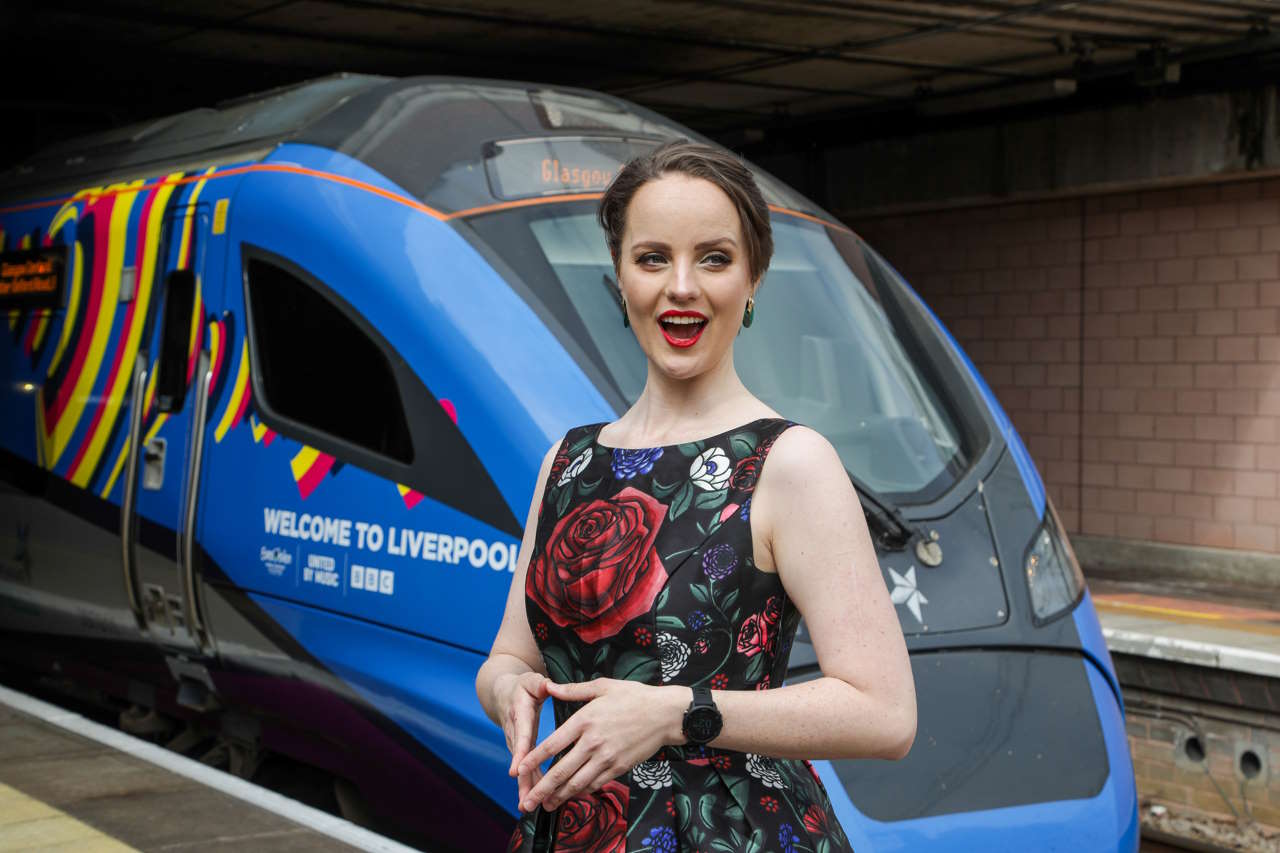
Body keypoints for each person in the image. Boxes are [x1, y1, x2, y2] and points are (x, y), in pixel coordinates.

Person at [475, 139, 916, 852]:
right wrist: (509, 693)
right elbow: (508, 658)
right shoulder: (568, 460)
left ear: (754, 278)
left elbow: (885, 714)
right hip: (576, 830)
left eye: (714, 257)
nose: (682, 286)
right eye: (653, 258)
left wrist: (678, 711)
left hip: (735, 832)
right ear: (620, 276)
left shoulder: (790, 462)